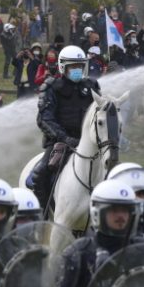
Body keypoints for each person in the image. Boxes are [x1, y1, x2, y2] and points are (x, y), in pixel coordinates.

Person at [33, 45, 100, 211]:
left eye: (80, 66)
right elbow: (44, 119)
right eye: (73, 66)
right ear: (63, 66)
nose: (77, 70)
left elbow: (99, 114)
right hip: (59, 143)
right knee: (40, 174)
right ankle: (43, 213)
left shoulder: (92, 86)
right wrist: (64, 138)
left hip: (88, 142)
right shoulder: (51, 87)